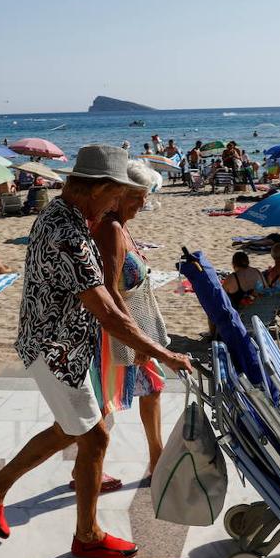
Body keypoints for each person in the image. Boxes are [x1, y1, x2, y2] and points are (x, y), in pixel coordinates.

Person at [0, 144, 191, 558]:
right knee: (94, 438)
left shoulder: (60, 213)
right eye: (115, 194)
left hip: (58, 345)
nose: (116, 205)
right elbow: (106, 307)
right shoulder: (69, 233)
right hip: (56, 352)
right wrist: (161, 351)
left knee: (72, 431)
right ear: (99, 188)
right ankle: (86, 535)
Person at [90, 161, 170, 478]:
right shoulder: (110, 229)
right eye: (138, 197)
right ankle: (154, 460)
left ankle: (156, 458)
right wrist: (133, 337)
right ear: (121, 194)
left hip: (123, 329)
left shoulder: (118, 226)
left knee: (115, 397)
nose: (144, 203)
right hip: (118, 333)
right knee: (105, 400)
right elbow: (109, 287)